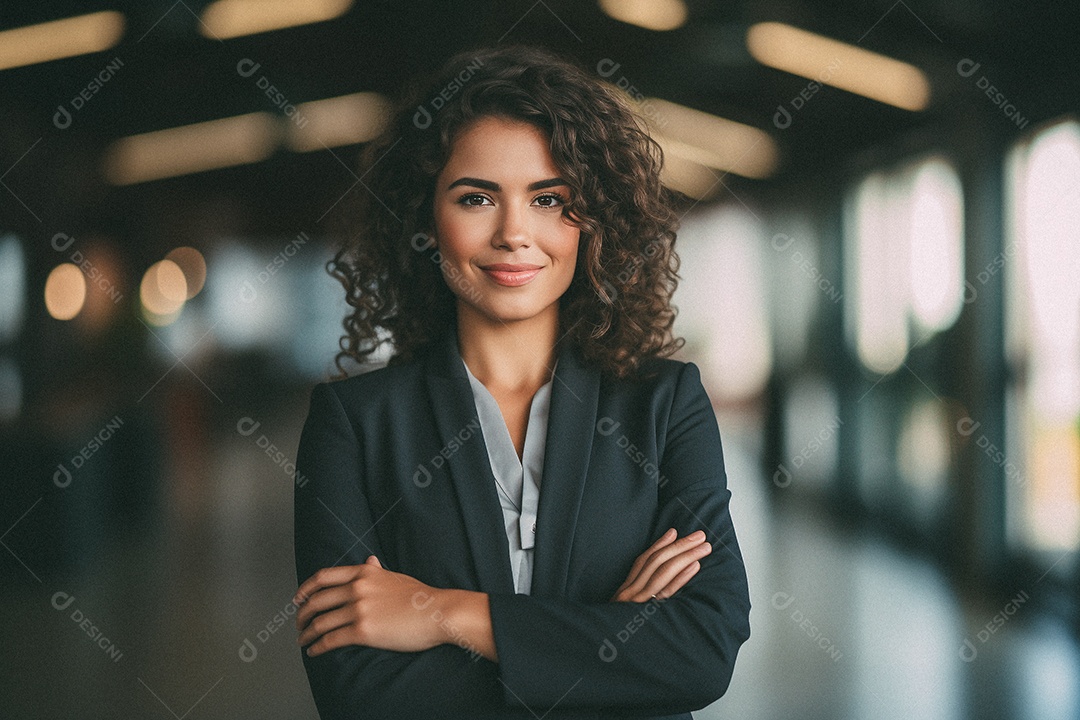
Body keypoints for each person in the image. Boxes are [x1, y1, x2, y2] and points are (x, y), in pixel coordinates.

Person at [291, 44, 751, 720]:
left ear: (593, 221)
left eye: (549, 199)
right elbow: (356, 693)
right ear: (424, 220)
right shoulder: (353, 424)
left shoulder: (663, 404)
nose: (514, 233)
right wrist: (606, 641)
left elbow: (703, 650)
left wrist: (444, 613)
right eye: (476, 198)